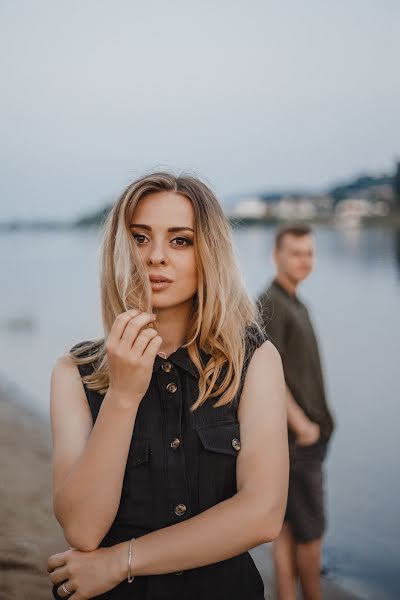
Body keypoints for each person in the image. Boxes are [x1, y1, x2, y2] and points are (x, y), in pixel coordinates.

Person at [47, 172, 288, 600]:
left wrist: (120, 561)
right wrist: (123, 395)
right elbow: (82, 528)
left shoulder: (255, 361)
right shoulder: (74, 373)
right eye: (140, 238)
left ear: (208, 252)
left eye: (180, 240)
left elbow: (262, 515)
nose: (155, 256)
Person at [257, 224, 335, 600]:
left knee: (287, 527)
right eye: (296, 253)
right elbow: (267, 374)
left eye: (310, 253)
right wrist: (303, 425)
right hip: (297, 442)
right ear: (277, 256)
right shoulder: (271, 303)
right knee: (313, 534)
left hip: (299, 441)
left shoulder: (294, 301)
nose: (305, 260)